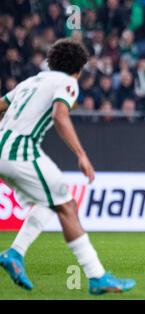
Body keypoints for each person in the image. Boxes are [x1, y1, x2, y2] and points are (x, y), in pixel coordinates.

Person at [0, 39, 135, 294]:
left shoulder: (31, 81)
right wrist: (81, 155)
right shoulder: (67, 82)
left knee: (49, 202)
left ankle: (15, 254)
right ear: (79, 68)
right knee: (67, 205)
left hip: (3, 149)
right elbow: (60, 115)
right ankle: (97, 277)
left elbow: (0, 106)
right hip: (20, 150)